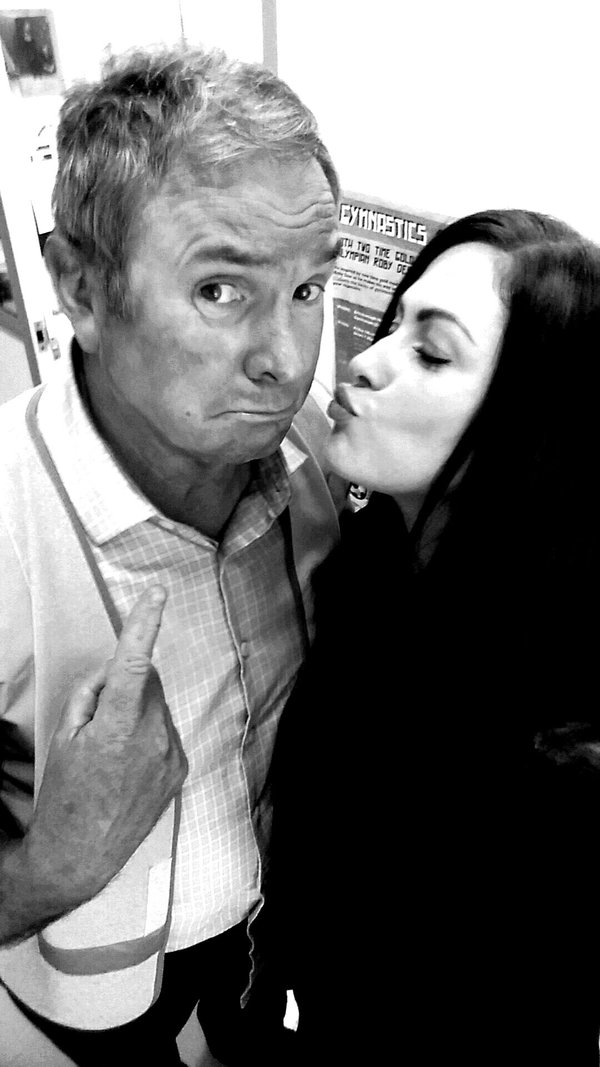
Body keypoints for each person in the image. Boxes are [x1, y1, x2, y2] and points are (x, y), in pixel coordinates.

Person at [0, 44, 343, 1067]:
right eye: (221, 290)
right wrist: (50, 868)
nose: (287, 362)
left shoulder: (317, 454)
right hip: (88, 977)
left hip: (268, 937)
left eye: (309, 287)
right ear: (81, 288)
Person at [269, 209, 600, 1065]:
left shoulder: (557, 746)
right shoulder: (369, 569)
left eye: (433, 352)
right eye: (395, 321)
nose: (369, 360)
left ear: (533, 425)